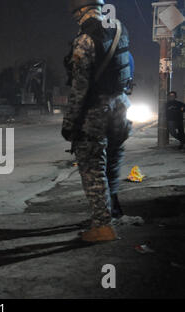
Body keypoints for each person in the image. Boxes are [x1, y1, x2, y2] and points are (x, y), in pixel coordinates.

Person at [62, 0, 133, 242]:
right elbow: (126, 64)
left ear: (79, 11)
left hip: (97, 111)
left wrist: (70, 123)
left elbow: (79, 89)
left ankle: (102, 227)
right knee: (112, 162)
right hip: (121, 106)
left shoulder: (84, 40)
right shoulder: (119, 28)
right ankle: (110, 212)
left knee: (93, 169)